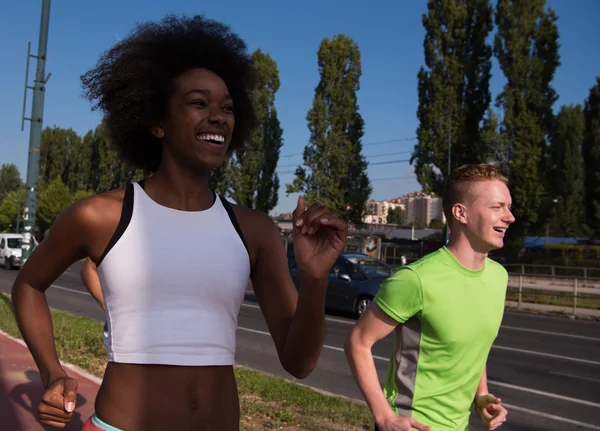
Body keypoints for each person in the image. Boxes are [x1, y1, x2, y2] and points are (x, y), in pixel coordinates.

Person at [11, 14, 348, 431]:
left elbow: (298, 363)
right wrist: (52, 372)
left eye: (227, 107)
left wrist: (315, 281)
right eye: (198, 103)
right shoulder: (99, 216)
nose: (219, 117)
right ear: (157, 122)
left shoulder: (255, 230)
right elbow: (28, 285)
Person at [344, 164, 513, 431]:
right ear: (461, 213)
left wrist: (481, 394)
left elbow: (474, 345)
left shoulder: (498, 277)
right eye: (497, 207)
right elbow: (358, 342)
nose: (509, 217)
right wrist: (384, 416)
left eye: (509, 207)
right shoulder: (416, 279)